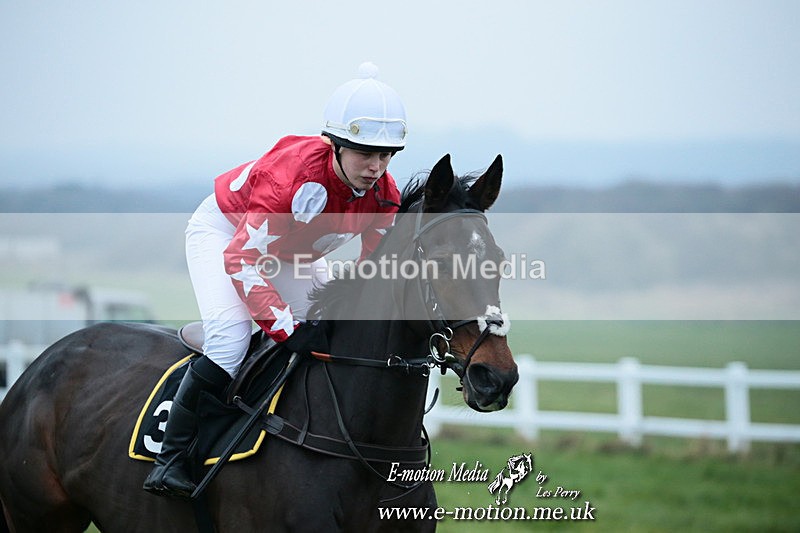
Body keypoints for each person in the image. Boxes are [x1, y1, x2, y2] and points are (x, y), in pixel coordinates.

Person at [143, 62, 406, 498]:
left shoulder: (385, 196)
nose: (376, 166)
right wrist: (285, 327)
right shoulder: (291, 179)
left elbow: (370, 271)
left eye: (385, 155)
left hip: (289, 251)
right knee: (230, 339)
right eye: (364, 153)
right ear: (335, 145)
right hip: (228, 234)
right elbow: (243, 259)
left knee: (328, 335)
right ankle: (170, 458)